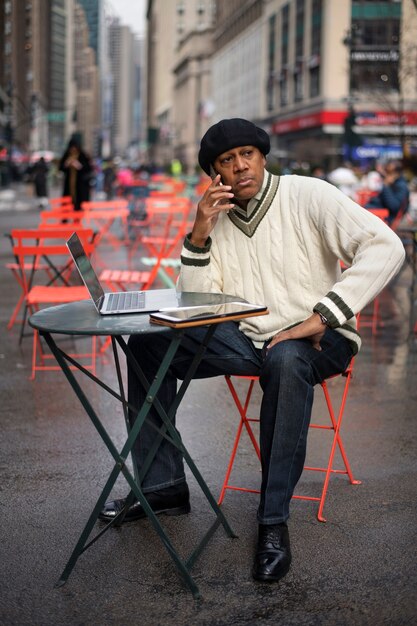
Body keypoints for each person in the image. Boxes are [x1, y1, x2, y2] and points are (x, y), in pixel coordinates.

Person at [99, 118, 405, 583]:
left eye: (247, 154)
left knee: (286, 360)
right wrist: (200, 233)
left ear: (263, 156)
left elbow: (386, 245)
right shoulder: (216, 217)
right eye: (227, 160)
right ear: (215, 173)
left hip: (322, 337)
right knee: (146, 346)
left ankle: (273, 520)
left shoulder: (309, 194)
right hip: (249, 337)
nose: (240, 165)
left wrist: (323, 315)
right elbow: (200, 305)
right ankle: (161, 487)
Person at [366, 160, 410, 224]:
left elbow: (394, 207)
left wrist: (386, 186)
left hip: (384, 217)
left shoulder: (401, 186)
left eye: (388, 171)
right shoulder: (394, 183)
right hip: (376, 212)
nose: (385, 173)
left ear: (396, 173)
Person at [59, 138, 93, 211]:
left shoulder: (82, 155)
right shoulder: (67, 155)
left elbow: (88, 168)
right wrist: (67, 164)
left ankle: (77, 217)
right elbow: (61, 167)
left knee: (79, 203)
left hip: (80, 183)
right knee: (67, 201)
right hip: (69, 183)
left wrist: (79, 165)